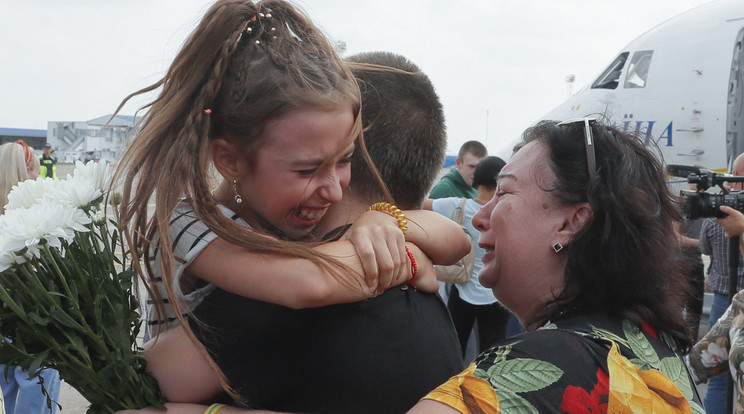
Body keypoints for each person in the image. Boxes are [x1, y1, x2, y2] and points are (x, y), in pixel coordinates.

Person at [110, 2, 465, 411]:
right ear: (231, 161)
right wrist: (404, 259)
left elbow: (455, 240)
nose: (333, 190)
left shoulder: (282, 224)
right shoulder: (189, 222)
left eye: (345, 159)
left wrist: (383, 219)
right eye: (308, 169)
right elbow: (307, 283)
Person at [409, 119, 703, 412]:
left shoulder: (540, 369)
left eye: (505, 193)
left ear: (572, 223)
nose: (479, 217)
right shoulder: (654, 347)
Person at [424, 156, 514, 357]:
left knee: (455, 349)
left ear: (477, 179)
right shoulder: (509, 212)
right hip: (496, 296)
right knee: (493, 355)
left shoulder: (457, 206)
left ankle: (452, 387)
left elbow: (417, 204)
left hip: (462, 293)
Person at [0, 141, 55, 414]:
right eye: (35, 169)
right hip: (37, 320)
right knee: (39, 391)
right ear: (29, 170)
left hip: (4, 324)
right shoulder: (36, 215)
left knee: (11, 392)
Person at [698, 153, 744, 414]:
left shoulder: (715, 218)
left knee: (717, 379)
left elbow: (705, 249)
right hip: (737, 302)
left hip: (723, 300)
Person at [689, 205, 744, 414]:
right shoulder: (741, 303)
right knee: (718, 383)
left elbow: (704, 248)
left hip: (720, 294)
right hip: (725, 301)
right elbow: (694, 365)